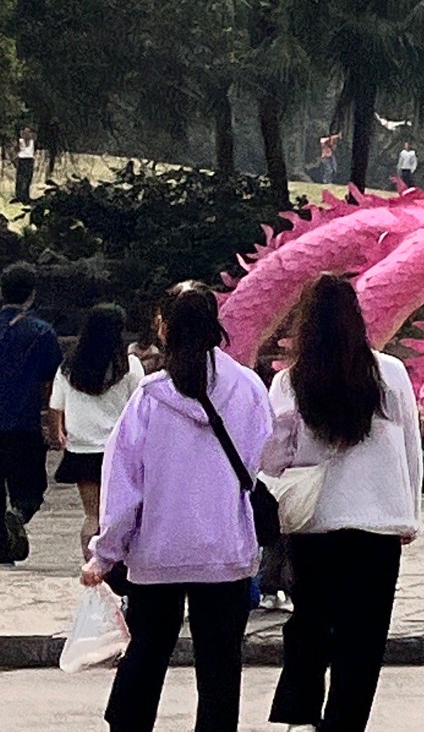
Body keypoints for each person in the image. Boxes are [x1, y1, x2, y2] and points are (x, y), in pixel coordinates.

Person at [85, 281, 269, 732]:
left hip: (157, 552)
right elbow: (265, 460)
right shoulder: (247, 387)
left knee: (146, 652)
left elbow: (124, 487)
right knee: (220, 666)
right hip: (225, 549)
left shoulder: (149, 397)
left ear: (163, 328)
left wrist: (105, 553)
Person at [259, 272, 422, 732]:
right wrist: (411, 512)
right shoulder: (388, 372)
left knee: (311, 619)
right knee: (364, 634)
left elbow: (275, 457)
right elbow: (411, 443)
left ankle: (301, 713)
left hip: (314, 522)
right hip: (378, 522)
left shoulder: (291, 382)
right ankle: (345, 722)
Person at [46, 301, 140, 555]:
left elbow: (56, 406)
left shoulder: (68, 367)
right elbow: (141, 407)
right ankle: (120, 569)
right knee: (123, 515)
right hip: (120, 450)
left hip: (82, 449)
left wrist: (58, 433)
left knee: (92, 516)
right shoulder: (129, 366)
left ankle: (91, 569)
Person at [0, 262, 63, 528]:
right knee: (30, 490)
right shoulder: (41, 332)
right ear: (32, 294)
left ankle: (4, 543)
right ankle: (18, 516)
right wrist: (52, 424)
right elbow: (51, 383)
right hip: (23, 422)